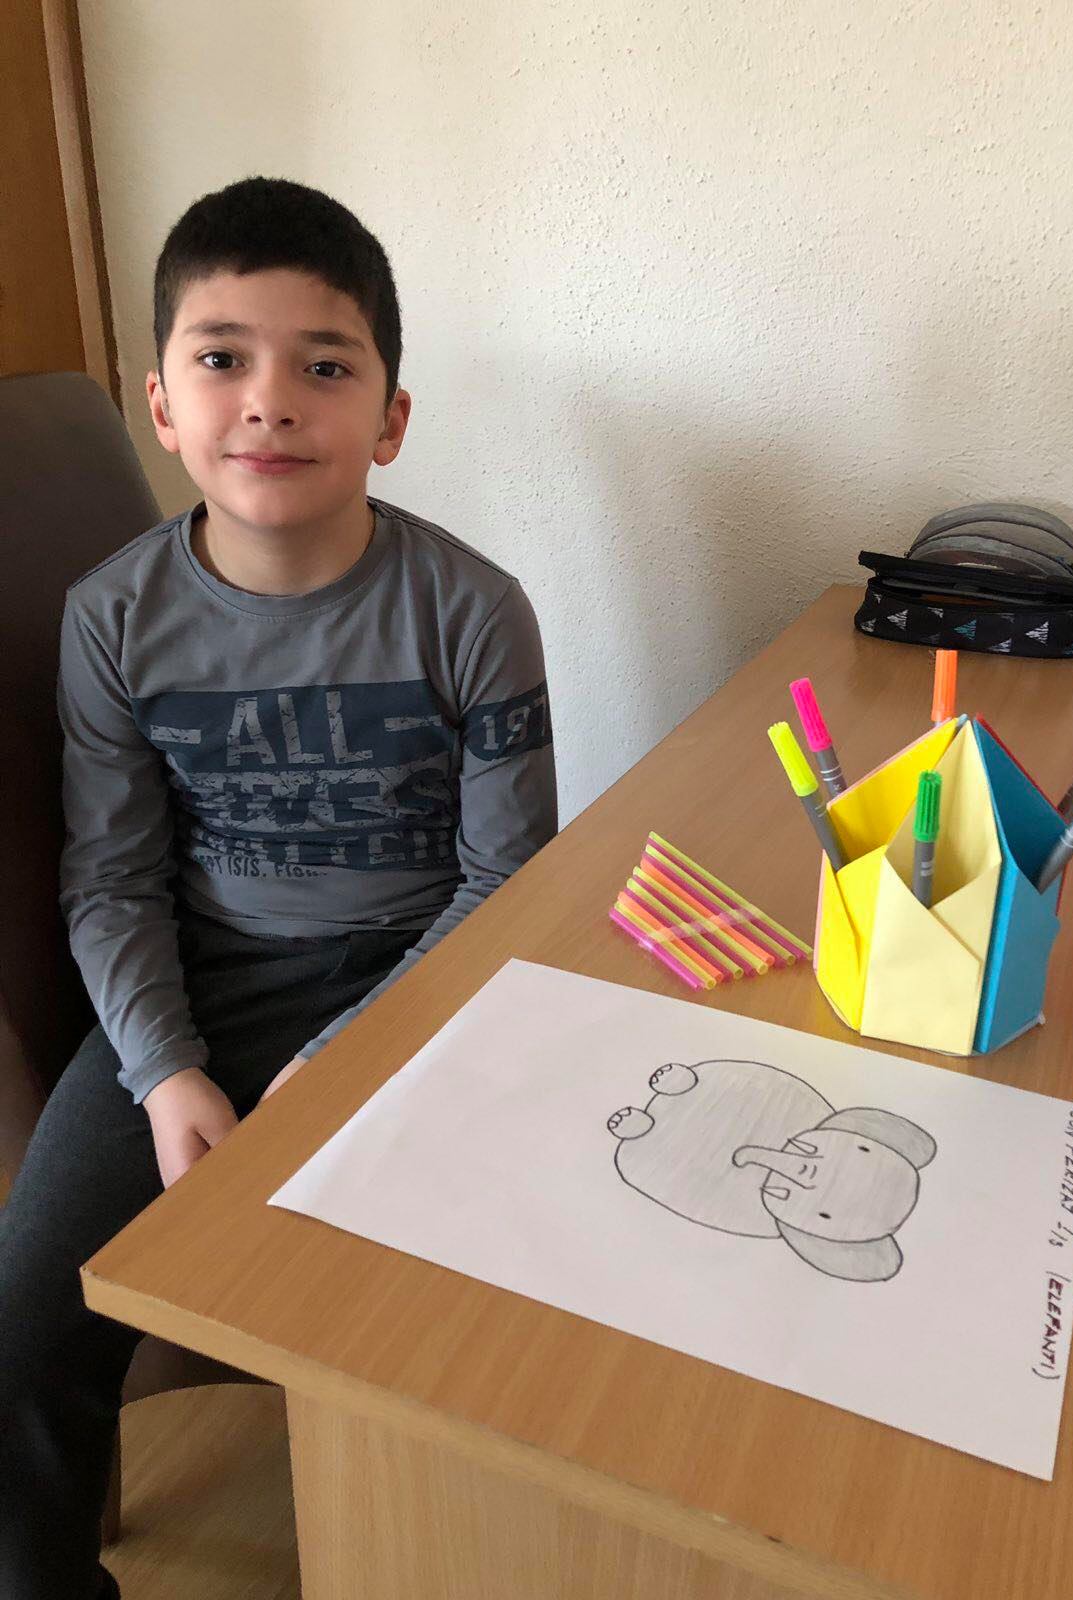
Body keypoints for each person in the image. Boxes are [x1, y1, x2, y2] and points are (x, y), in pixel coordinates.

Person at [0, 175, 557, 1600]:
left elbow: (504, 885)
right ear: (161, 404)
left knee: (480, 1325)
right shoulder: (112, 617)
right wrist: (165, 1071)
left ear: (390, 417)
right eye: (221, 358)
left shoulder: (474, 611)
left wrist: (350, 1055)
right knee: (24, 1324)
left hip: (423, 988)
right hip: (196, 987)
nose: (269, 402)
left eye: (324, 366)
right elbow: (110, 878)